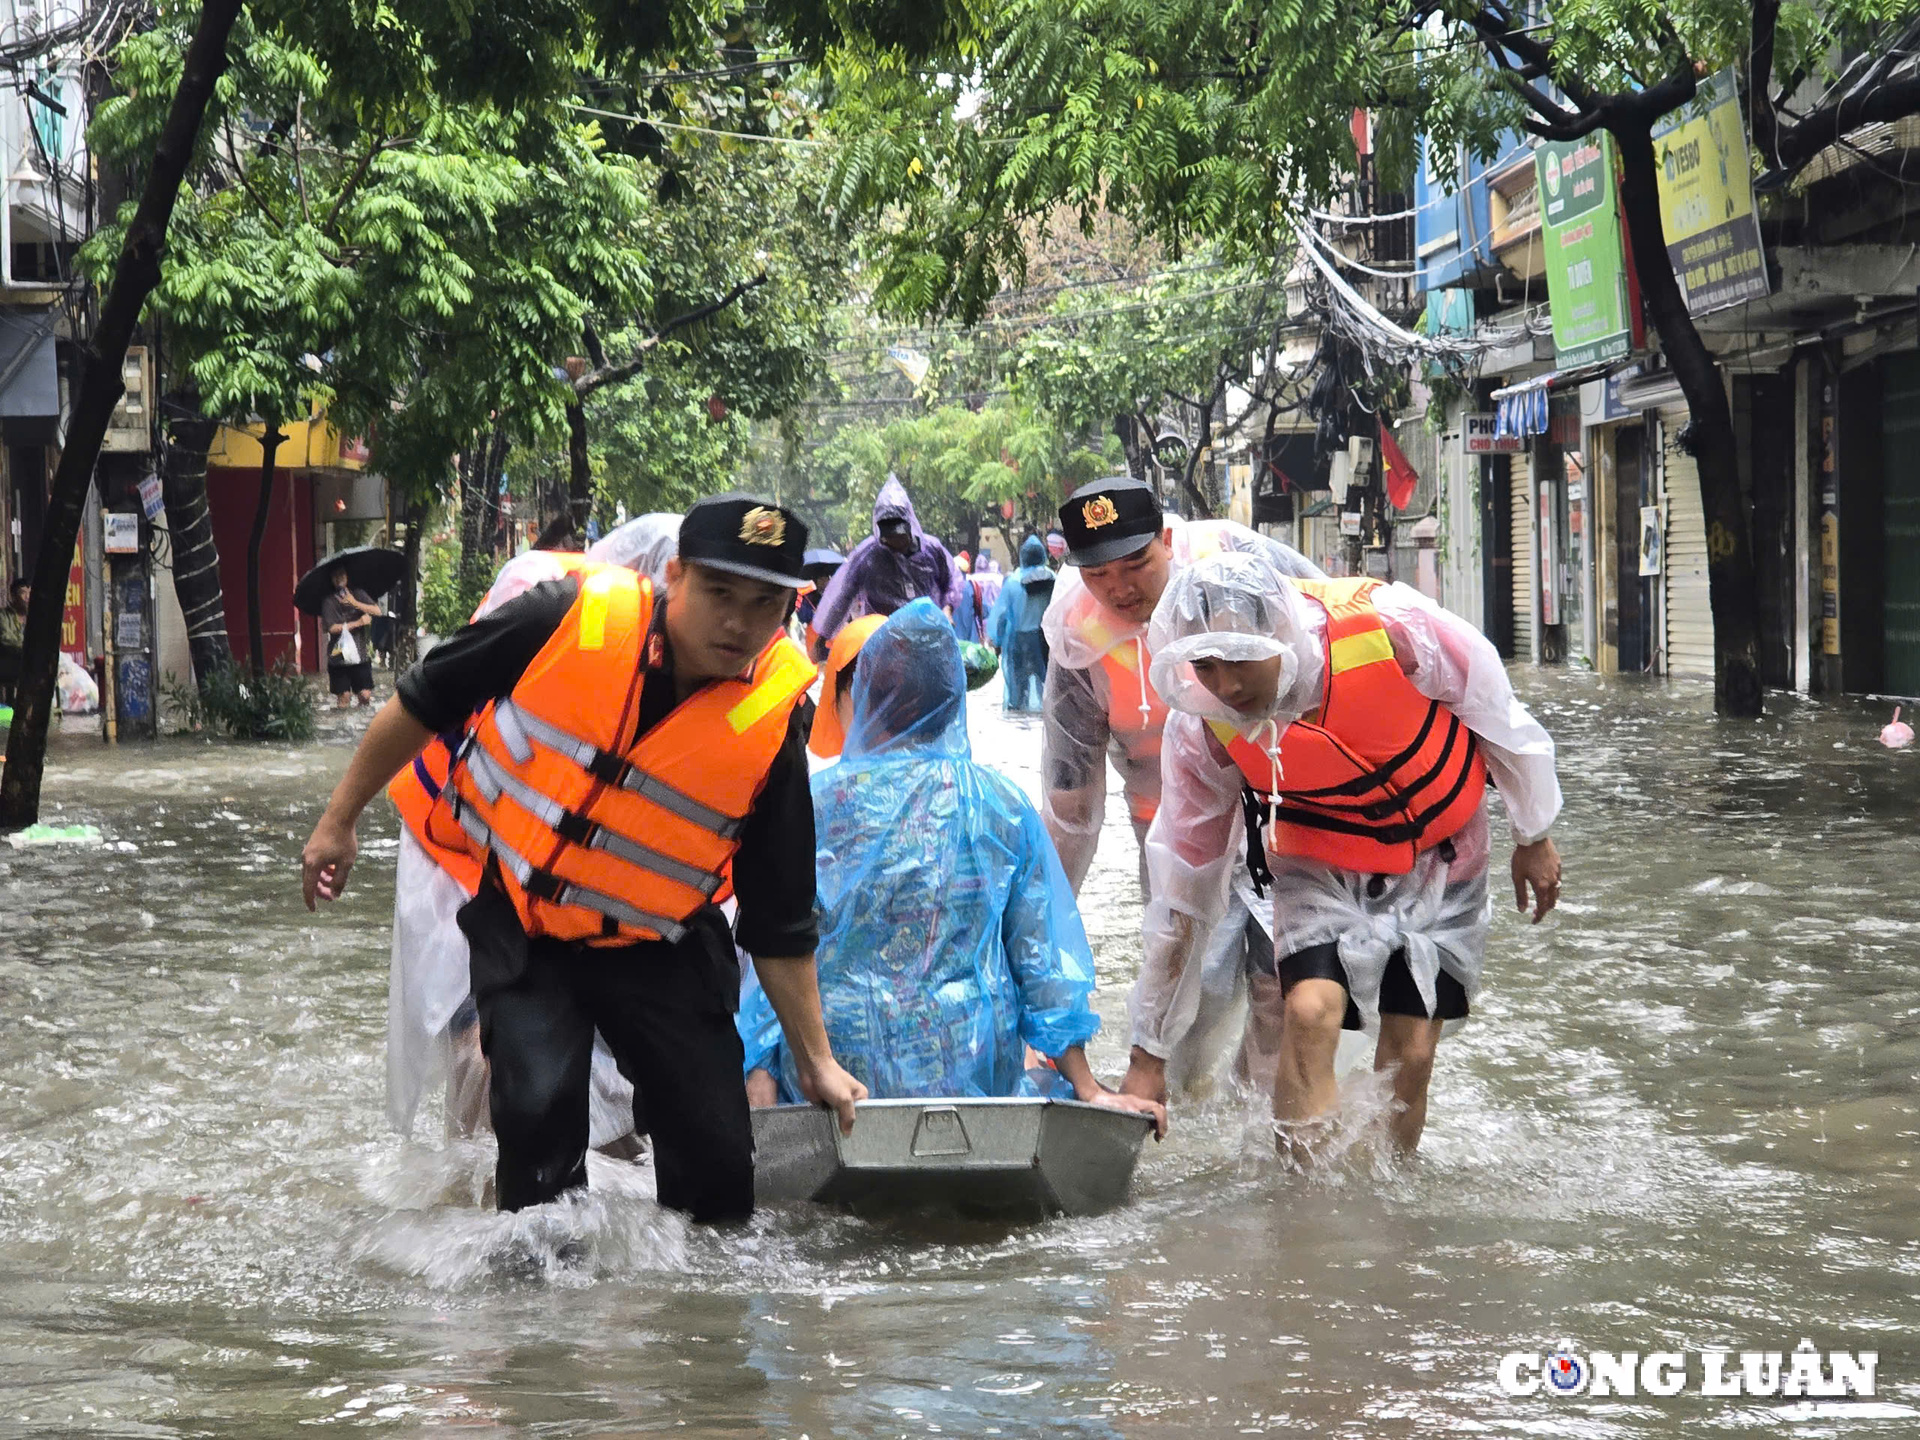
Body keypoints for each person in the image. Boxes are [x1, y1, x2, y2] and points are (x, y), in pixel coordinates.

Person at [301, 494, 867, 1222]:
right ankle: (538, 1318)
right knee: (537, 1127)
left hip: (659, 942)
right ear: (674, 576)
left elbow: (779, 914)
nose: (738, 623)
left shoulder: (772, 716)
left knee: (719, 1162)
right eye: (720, 593)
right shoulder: (564, 618)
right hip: (532, 927)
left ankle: (699, 1329)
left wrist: (816, 1060)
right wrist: (339, 819)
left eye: (765, 604)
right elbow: (424, 698)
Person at [1122, 550, 1563, 1158]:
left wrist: (1532, 832)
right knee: (1309, 1011)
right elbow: (1182, 890)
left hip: (1440, 854)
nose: (1225, 685)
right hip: (1316, 859)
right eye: (1205, 664)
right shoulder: (1202, 727)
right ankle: (1304, 1213)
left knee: (1411, 1048)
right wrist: (1149, 1054)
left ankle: (1386, 1202)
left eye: (1240, 660)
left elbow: (1496, 710)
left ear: (1277, 630)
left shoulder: (1395, 627)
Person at [738, 599, 1165, 1133]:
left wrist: (759, 1069)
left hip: (835, 1074)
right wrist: (1088, 1088)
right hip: (968, 1069)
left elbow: (770, 947)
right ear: (953, 699)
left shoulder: (811, 804)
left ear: (867, 696)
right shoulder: (1001, 804)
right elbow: (1042, 959)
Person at [383, 515, 682, 1153]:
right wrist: (337, 821)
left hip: (545, 877)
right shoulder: (547, 604)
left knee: (579, 1055)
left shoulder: (660, 668)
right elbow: (428, 702)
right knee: (480, 1042)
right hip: (455, 858)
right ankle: (468, 1188)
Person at [1042, 476, 1323, 1096]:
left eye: (1136, 563)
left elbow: (1334, 633)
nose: (1119, 589)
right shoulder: (1075, 640)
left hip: (1283, 806)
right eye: (1097, 575)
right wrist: (1042, 938)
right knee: (1198, 988)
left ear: (1168, 540)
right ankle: (1183, 1107)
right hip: (1170, 825)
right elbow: (1069, 808)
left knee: (1284, 983)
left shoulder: (1242, 562)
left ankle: (1260, 1126)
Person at [808, 475, 964, 653]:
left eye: (900, 538)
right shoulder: (868, 556)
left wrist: (947, 610)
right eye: (889, 539)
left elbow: (952, 583)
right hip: (881, 645)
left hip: (926, 642)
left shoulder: (931, 551)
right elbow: (842, 596)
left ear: (910, 527)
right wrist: (823, 636)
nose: (895, 545)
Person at [986, 535, 1054, 713]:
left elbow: (1001, 614)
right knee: (1049, 688)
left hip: (1018, 641)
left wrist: (996, 639)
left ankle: (1017, 713)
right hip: (1045, 641)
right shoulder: (1052, 578)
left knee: (1017, 691)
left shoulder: (1013, 582)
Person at [808, 613, 886, 762]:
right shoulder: (816, 774)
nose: (879, 713)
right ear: (835, 699)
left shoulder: (932, 774)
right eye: (860, 692)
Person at [320, 568, 381, 708]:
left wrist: (354, 603)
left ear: (347, 576)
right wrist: (357, 623)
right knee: (344, 698)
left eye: (341, 574)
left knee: (365, 696)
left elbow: (377, 611)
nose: (338, 578)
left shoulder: (358, 593)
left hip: (360, 654)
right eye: (334, 575)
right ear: (331, 579)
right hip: (338, 656)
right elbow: (331, 628)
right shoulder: (328, 601)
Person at [0, 579, 26, 704]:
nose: (26, 597)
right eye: (23, 593)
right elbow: (5, 638)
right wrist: (25, 646)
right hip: (10, 663)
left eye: (29, 593)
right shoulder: (3, 616)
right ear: (13, 596)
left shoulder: (35, 617)